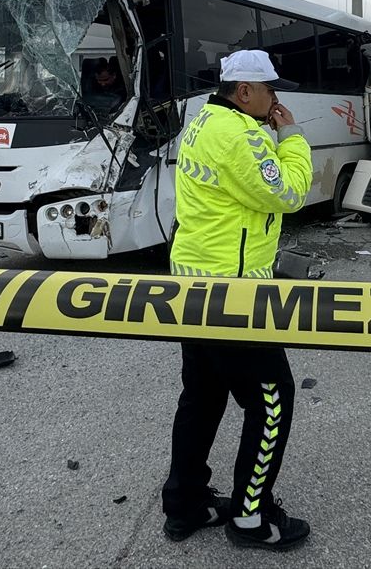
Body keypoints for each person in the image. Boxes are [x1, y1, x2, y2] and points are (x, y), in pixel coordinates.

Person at [161, 50, 313, 551]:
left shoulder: (203, 121)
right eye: (271, 90)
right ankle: (251, 517)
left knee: (202, 396)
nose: (276, 99)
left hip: (193, 282)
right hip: (234, 293)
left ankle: (185, 503)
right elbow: (288, 193)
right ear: (245, 92)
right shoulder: (241, 135)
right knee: (272, 400)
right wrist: (292, 137)